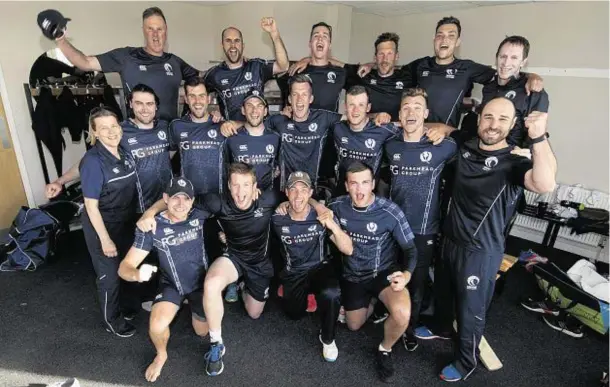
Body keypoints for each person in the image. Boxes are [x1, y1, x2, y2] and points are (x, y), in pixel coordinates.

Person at [416, 97, 557, 382]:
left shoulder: (514, 162)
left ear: (513, 124)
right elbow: (443, 128)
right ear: (479, 119)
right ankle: (442, 327)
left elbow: (545, 184)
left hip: (480, 251)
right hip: (450, 238)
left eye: (502, 119)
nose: (493, 125)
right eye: (488, 117)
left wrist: (538, 137)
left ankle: (466, 361)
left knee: (470, 311)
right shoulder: (466, 144)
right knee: (443, 292)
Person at [359, 17, 544, 130]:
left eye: (451, 35)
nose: (444, 40)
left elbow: (503, 72)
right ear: (434, 39)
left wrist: (531, 76)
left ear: (457, 42)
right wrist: (371, 63)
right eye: (440, 35)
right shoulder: (420, 65)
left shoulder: (467, 68)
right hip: (414, 133)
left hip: (445, 136)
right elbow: (392, 68)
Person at [328, 161, 418, 382]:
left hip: (383, 273)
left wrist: (406, 275)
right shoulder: (337, 206)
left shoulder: (390, 211)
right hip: (352, 276)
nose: (359, 190)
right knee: (353, 326)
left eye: (365, 183)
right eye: (354, 184)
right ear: (347, 186)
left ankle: (384, 348)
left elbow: (411, 250)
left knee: (402, 314)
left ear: (373, 184)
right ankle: (375, 305)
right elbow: (315, 208)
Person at [383, 88, 458, 351]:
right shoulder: (390, 144)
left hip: (424, 229)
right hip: (392, 226)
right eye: (406, 107)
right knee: (391, 273)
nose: (411, 112)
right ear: (399, 114)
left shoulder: (444, 147)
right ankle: (393, 313)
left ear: (426, 114)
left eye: (417, 107)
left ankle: (409, 328)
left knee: (416, 281)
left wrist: (445, 130)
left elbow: (466, 139)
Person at [118, 177, 210, 382]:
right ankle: (161, 354)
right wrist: (136, 274)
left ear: (192, 201)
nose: (181, 204)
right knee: (157, 325)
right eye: (175, 198)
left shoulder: (199, 214)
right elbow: (124, 267)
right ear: (165, 199)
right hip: (172, 286)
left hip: (200, 285)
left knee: (202, 333)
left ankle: (191, 306)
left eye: (186, 198)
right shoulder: (152, 226)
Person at [51, 7, 199, 120]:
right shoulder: (126, 57)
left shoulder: (175, 62)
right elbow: (85, 62)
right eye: (150, 29)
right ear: (143, 31)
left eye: (159, 29)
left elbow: (203, 79)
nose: (155, 35)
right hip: (137, 140)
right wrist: (61, 40)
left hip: (168, 141)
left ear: (166, 31)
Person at [46, 84, 172, 211]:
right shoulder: (119, 131)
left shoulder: (165, 127)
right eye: (139, 103)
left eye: (150, 104)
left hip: (169, 203)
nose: (145, 109)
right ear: (130, 104)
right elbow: (90, 161)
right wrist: (60, 182)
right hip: (137, 207)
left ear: (156, 106)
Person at [272, 171, 352, 362]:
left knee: (331, 293)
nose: (298, 196)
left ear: (311, 193)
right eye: (293, 190)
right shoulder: (277, 218)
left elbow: (348, 249)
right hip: (294, 272)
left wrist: (332, 225)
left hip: (318, 267)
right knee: (293, 314)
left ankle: (327, 338)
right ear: (286, 192)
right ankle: (308, 297)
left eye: (303, 190)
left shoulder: (322, 216)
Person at [79, 107, 143, 337]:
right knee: (109, 275)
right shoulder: (93, 161)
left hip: (125, 220)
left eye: (114, 126)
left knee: (128, 264)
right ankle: (112, 319)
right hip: (102, 225)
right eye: (103, 128)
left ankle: (127, 307)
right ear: (94, 132)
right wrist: (105, 239)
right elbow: (91, 206)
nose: (111, 131)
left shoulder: (123, 151)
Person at [203, 18, 289, 121]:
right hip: (233, 134)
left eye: (237, 41)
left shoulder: (256, 66)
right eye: (228, 41)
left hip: (260, 132)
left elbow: (283, 66)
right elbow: (195, 94)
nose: (233, 45)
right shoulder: (214, 74)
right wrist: (210, 112)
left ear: (243, 46)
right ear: (222, 45)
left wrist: (274, 34)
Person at [479, 36, 550, 146]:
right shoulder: (489, 88)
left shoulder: (533, 91)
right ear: (496, 57)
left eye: (514, 58)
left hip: (514, 158)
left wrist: (523, 156)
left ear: (523, 62)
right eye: (503, 56)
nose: (506, 63)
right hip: (484, 154)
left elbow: (536, 134)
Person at [332, 86, 397, 196]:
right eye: (351, 105)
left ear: (368, 107)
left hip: (369, 197)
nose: (355, 110)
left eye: (361, 105)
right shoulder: (337, 127)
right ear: (345, 107)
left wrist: (436, 130)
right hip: (342, 195)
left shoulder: (382, 128)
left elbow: (409, 131)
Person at [278, 22, 348, 112]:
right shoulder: (297, 70)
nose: (320, 39)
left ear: (330, 45)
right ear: (310, 43)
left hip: (329, 125)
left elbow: (361, 77)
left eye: (325, 36)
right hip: (300, 125)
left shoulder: (340, 73)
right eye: (316, 35)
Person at [224, 89, 280, 191]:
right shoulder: (231, 139)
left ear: (265, 111)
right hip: (240, 198)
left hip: (268, 199)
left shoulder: (276, 138)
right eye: (249, 105)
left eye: (259, 106)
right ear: (243, 110)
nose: (254, 110)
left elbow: (280, 169)